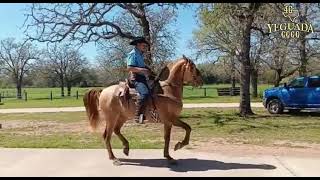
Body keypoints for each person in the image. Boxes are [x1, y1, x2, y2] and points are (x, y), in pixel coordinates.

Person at [126, 37, 151, 124]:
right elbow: (129, 68)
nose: (145, 46)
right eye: (143, 45)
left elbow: (140, 66)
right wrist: (142, 70)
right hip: (135, 78)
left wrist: (147, 69)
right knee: (145, 93)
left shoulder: (140, 54)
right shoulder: (133, 54)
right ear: (138, 45)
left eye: (145, 45)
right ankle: (137, 116)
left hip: (142, 77)